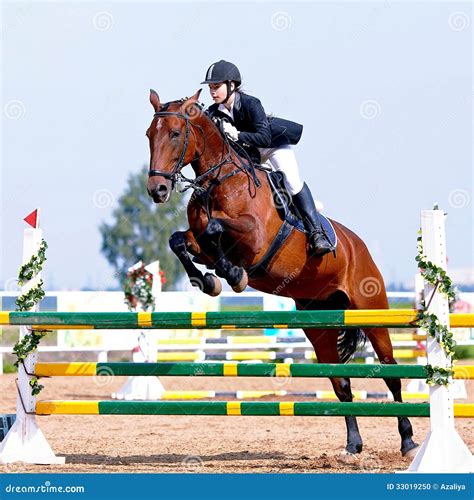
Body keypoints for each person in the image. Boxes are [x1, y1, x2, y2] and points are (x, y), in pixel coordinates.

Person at [201, 59, 334, 256]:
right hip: (248, 154)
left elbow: (263, 137)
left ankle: (316, 233)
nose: (212, 92)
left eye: (216, 87)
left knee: (292, 181)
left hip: (271, 146)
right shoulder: (213, 112)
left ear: (231, 85)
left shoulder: (251, 103)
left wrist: (237, 135)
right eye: (210, 88)